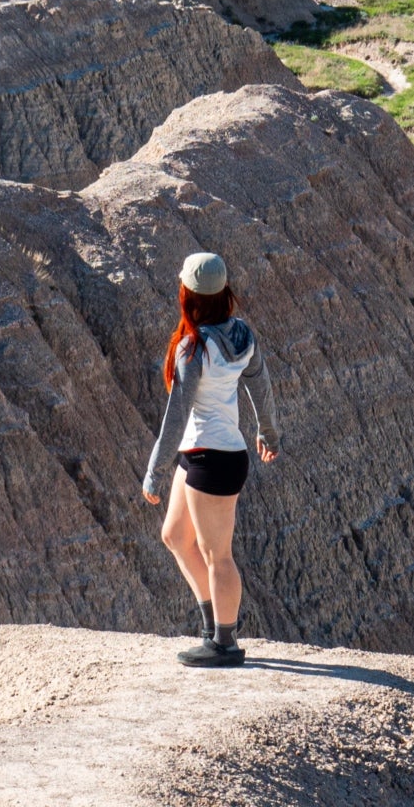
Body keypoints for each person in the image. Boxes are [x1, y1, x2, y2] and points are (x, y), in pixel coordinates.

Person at [142, 250, 279, 667]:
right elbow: (261, 384)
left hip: (211, 458)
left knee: (217, 554)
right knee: (174, 536)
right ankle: (211, 629)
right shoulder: (241, 335)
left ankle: (225, 643)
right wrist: (267, 430)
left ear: (187, 293)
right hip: (208, 453)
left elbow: (176, 414)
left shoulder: (193, 347)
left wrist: (154, 472)